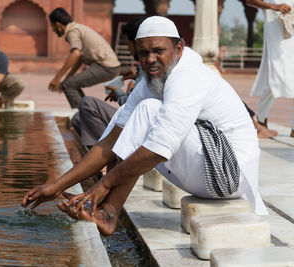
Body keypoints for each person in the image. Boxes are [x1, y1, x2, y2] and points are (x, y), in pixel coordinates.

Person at [22, 16, 268, 236]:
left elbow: (159, 149)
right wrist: (57, 186)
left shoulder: (189, 76)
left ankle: (109, 212)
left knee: (148, 113)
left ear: (179, 48)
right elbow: (111, 142)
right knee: (134, 126)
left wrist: (103, 185)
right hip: (204, 173)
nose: (150, 59)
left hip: (229, 174)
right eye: (143, 53)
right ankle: (107, 212)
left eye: (159, 51)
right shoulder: (153, 79)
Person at [71, 16, 146, 148]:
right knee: (78, 118)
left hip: (137, 126)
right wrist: (136, 75)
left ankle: (103, 157)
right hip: (131, 121)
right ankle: (96, 155)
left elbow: (133, 106)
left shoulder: (149, 66)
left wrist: (117, 92)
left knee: (88, 103)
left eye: (129, 44)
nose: (128, 49)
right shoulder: (143, 68)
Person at [48, 7, 121, 109]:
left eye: (52, 26)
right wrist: (66, 78)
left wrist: (57, 78)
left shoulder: (72, 31)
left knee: (68, 85)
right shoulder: (77, 28)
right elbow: (79, 58)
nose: (53, 30)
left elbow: (76, 54)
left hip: (106, 67)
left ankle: (85, 117)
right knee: (69, 84)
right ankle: (87, 113)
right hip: (109, 66)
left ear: (58, 25)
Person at [247, 0, 294, 137]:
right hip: (275, 33)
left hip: (291, 28)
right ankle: (261, 121)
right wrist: (273, 7)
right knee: (277, 78)